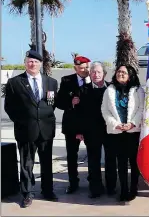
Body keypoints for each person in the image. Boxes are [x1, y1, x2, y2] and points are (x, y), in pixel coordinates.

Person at [4, 50, 59, 208]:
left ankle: (48, 191)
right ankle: (27, 193)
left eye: (35, 61)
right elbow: (9, 107)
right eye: (29, 61)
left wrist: (42, 118)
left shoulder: (51, 82)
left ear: (41, 64)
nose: (32, 64)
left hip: (46, 129)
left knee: (46, 162)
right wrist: (22, 121)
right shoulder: (15, 82)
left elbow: (51, 104)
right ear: (25, 63)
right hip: (25, 130)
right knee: (26, 164)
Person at [101, 65, 144, 203]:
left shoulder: (138, 90)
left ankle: (133, 189)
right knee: (121, 163)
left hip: (133, 132)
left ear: (130, 75)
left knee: (134, 162)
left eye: (124, 72)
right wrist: (116, 124)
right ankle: (124, 190)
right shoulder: (109, 90)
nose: (121, 74)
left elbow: (142, 109)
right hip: (117, 132)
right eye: (119, 71)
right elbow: (105, 110)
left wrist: (132, 123)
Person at [55, 55, 91, 194]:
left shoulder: (93, 79)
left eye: (87, 67)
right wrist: (70, 102)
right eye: (81, 68)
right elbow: (58, 102)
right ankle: (73, 183)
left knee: (92, 155)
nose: (85, 70)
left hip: (89, 126)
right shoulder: (66, 80)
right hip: (72, 125)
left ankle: (93, 181)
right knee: (71, 156)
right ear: (75, 68)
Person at [77, 61, 113, 198]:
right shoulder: (83, 89)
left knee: (110, 159)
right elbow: (79, 113)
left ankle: (111, 187)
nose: (95, 74)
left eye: (98, 72)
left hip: (109, 130)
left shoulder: (111, 88)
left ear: (104, 73)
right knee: (93, 161)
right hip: (91, 131)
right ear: (89, 74)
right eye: (93, 71)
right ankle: (95, 189)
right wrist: (79, 131)